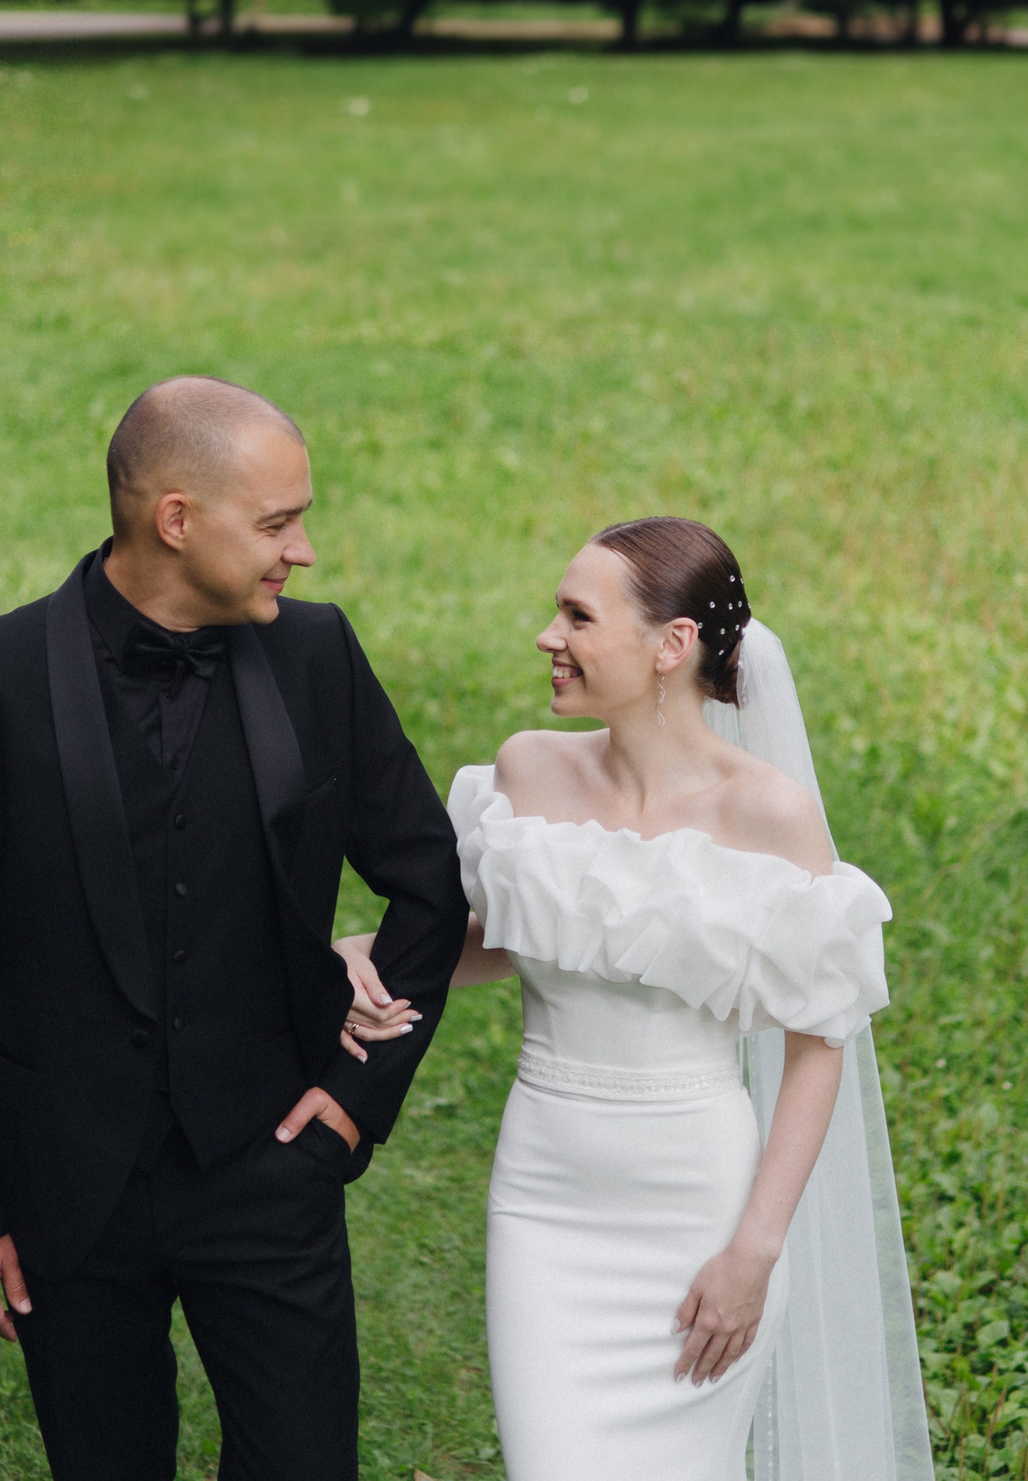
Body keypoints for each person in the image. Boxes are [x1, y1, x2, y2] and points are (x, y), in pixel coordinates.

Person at [0, 376, 471, 1481]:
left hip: (269, 1164)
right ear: (174, 521)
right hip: (67, 1188)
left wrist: (352, 1104)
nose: (301, 551)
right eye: (278, 522)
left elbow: (429, 877)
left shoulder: (316, 655)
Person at [336, 517, 935, 1480]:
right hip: (544, 1198)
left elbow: (820, 1039)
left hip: (697, 1208)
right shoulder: (530, 770)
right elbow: (501, 938)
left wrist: (754, 1251)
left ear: (672, 645)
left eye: (577, 615)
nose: (547, 636)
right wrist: (358, 957)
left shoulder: (767, 813)